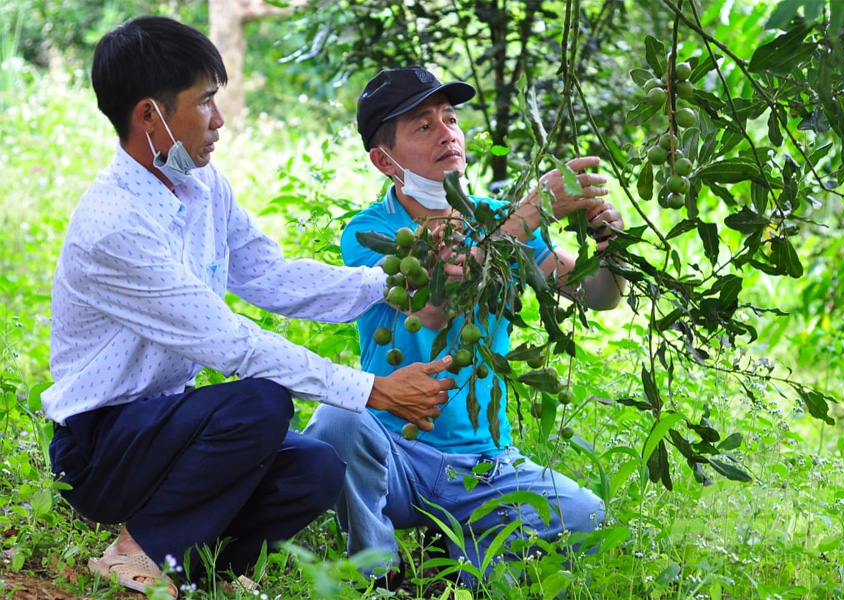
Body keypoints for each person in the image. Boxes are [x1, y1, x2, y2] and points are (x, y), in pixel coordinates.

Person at [42, 21, 455, 598]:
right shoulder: (115, 227)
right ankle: (135, 553)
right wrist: (373, 389)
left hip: (166, 425)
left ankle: (193, 568)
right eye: (205, 102)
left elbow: (271, 275)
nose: (220, 120)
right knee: (260, 402)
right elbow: (234, 343)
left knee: (316, 468)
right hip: (99, 447)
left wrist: (390, 280)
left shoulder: (205, 188)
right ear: (148, 116)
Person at [303, 66, 626, 590]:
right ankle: (377, 572)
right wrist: (535, 208)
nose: (447, 132)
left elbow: (598, 296)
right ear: (384, 160)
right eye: (423, 125)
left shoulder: (496, 218)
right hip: (396, 455)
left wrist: (611, 246)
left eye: (450, 119)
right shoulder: (372, 231)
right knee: (336, 423)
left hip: (485, 464)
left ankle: (454, 562)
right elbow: (437, 305)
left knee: (589, 518)